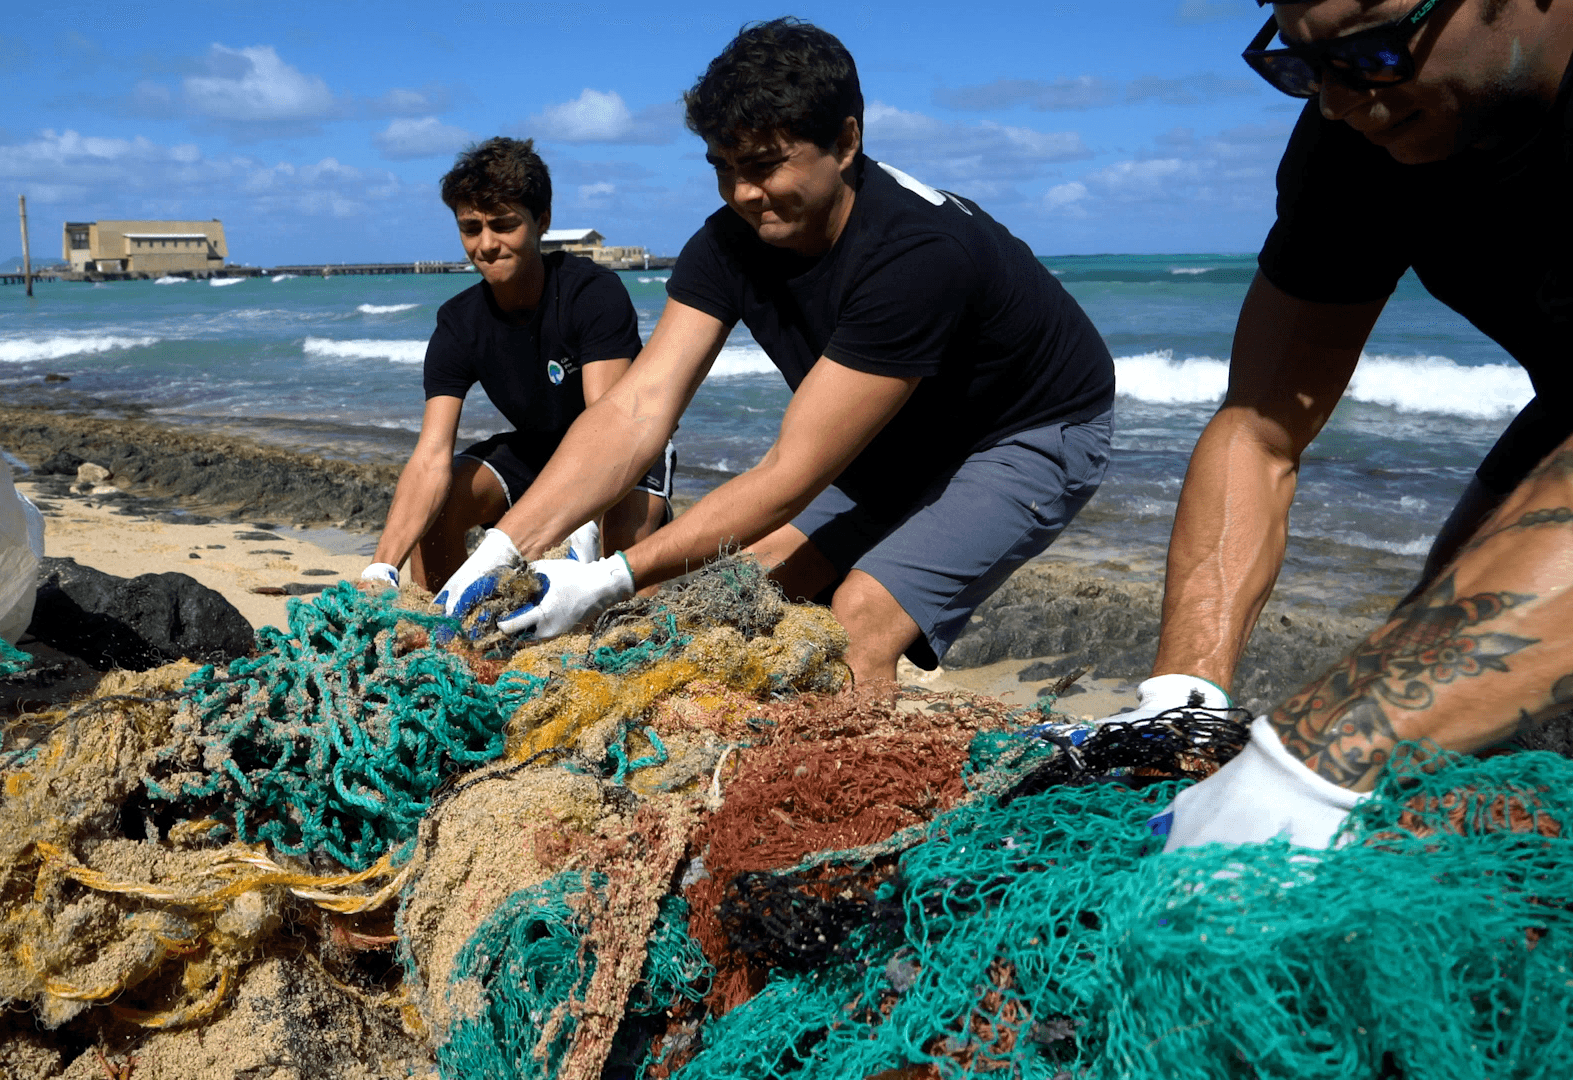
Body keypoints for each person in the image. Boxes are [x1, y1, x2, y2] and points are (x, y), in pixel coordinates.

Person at [432, 18, 1116, 686]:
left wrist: (612, 577)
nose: (742, 194)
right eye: (723, 168)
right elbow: (636, 410)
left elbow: (792, 472)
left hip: (1027, 427)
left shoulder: (914, 255)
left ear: (845, 142)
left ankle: (851, 793)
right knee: (742, 593)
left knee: (858, 617)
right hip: (899, 431)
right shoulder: (728, 241)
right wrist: (498, 554)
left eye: (763, 166)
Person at [1134, 0, 1573, 849]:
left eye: (1374, 48)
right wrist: (1181, 696)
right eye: (1301, 66)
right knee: (1428, 660)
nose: (1336, 98)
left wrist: (1316, 751)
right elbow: (1261, 432)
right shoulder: (1356, 133)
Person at [361, 137, 673, 591]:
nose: (486, 245)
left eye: (504, 225)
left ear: (541, 220)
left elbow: (611, 428)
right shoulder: (458, 323)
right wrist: (380, 567)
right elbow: (430, 457)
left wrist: (576, 521)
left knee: (618, 545)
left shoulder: (592, 294)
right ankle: (441, 636)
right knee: (441, 503)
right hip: (538, 447)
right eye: (470, 228)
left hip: (627, 440)